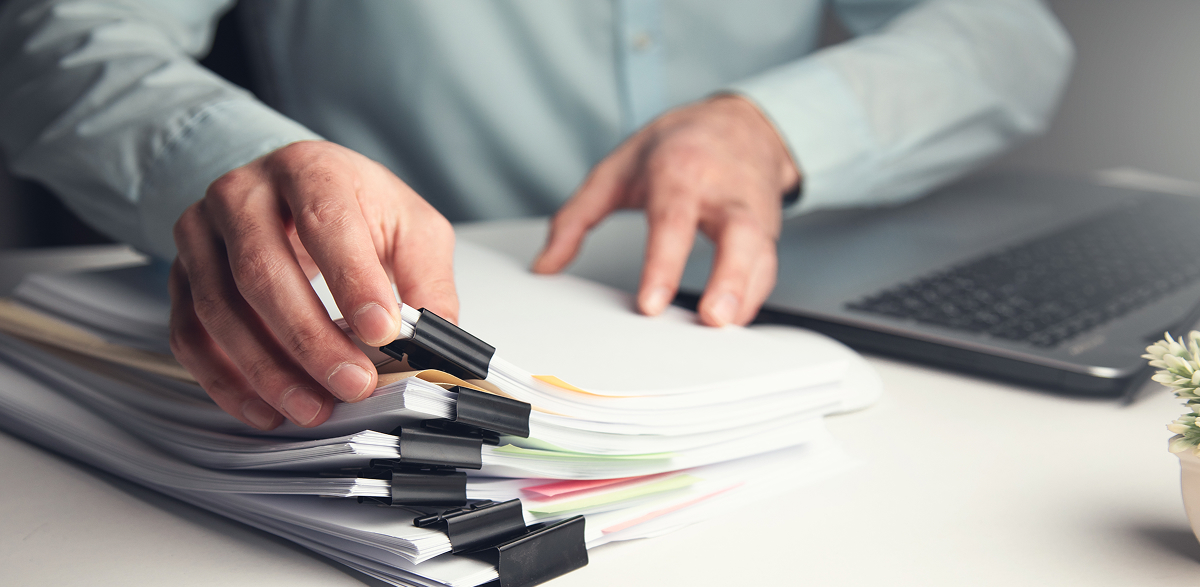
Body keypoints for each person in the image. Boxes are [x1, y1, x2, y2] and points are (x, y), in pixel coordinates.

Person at [0, 0, 1072, 431]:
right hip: (382, 358)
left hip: (786, 337)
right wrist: (228, 161)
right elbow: (57, 34)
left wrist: (775, 126)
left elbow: (1012, 35)